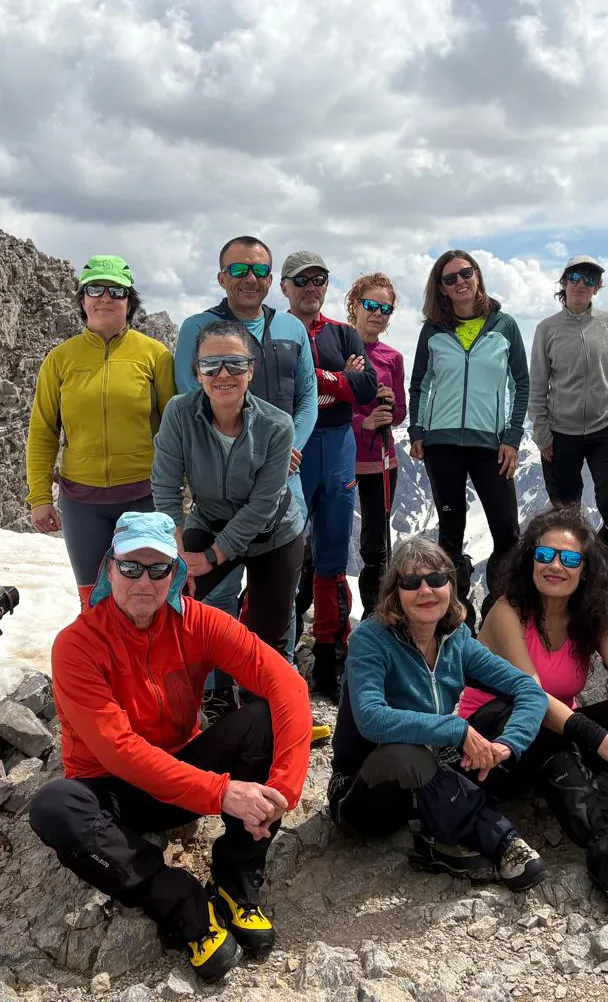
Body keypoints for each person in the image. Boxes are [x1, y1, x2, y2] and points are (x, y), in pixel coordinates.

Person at [29, 511, 312, 984]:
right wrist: (221, 793)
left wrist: (282, 791)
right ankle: (181, 903)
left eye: (158, 568)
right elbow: (118, 751)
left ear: (174, 574)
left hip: (179, 776)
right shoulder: (77, 646)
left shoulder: (198, 623)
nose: (144, 579)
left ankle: (235, 878)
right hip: (111, 793)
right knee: (55, 807)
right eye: (131, 566)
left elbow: (285, 684)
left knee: (261, 721)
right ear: (109, 569)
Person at [458, 507, 608, 910]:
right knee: (545, 723)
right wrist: (599, 741)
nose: (555, 567)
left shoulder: (593, 617)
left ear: (586, 569)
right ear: (530, 559)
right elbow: (530, 695)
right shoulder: (506, 612)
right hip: (491, 743)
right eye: (545, 555)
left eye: (569, 559)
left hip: (558, 735)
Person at [327, 536, 549, 891]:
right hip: (363, 791)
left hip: (431, 772)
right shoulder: (372, 638)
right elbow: (371, 719)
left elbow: (528, 690)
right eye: (411, 582)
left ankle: (439, 831)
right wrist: (455, 730)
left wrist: (508, 744)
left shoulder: (455, 639)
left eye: (436, 580)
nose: (425, 591)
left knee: (500, 713)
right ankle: (502, 841)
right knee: (406, 752)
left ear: (451, 585)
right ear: (394, 592)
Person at [173, 236, 317, 707]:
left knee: (278, 592)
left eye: (258, 271)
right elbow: (190, 398)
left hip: (283, 478)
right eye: (237, 270)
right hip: (220, 488)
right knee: (215, 594)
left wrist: (289, 447)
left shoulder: (291, 329)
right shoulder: (199, 328)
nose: (249, 279)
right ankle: (216, 690)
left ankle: (279, 692)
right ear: (221, 278)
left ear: (271, 279)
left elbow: (307, 397)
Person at [152, 323, 307, 667]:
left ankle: (263, 710)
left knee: (267, 642)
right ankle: (191, 692)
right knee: (168, 595)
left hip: (274, 535)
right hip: (211, 519)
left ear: (251, 370)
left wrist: (210, 557)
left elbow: (263, 505)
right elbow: (166, 489)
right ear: (198, 373)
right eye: (211, 365)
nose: (223, 374)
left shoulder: (277, 425)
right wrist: (181, 557)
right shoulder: (179, 413)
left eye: (235, 364)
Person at [26, 255, 176, 607]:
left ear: (129, 302)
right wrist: (39, 497)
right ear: (82, 299)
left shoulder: (155, 356)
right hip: (82, 502)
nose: (105, 297)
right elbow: (43, 431)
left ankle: (148, 664)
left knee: (148, 597)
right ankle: (101, 664)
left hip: (145, 496)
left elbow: (176, 428)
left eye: (117, 291)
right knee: (94, 600)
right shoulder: (60, 359)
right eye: (95, 288)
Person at [408, 250, 530, 626]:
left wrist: (511, 437)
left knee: (507, 530)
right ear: (441, 289)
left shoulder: (505, 325)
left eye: (466, 273)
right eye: (450, 278)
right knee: (450, 533)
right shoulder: (432, 330)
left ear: (477, 276)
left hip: (490, 444)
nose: (460, 281)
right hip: (441, 444)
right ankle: (456, 614)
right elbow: (419, 384)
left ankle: (500, 609)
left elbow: (521, 383)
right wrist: (417, 430)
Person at [279, 251, 379, 698]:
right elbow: (276, 387)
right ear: (285, 287)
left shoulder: (343, 333)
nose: (311, 287)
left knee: (333, 558)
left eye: (319, 279)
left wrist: (320, 380)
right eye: (302, 281)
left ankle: (328, 663)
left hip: (338, 446)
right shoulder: (275, 331)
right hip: (291, 449)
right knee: (281, 553)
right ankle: (272, 655)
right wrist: (336, 378)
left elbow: (366, 389)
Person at [529, 255, 608, 558]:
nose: (582, 284)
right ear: (564, 283)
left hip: (605, 428)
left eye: (590, 279)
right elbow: (538, 383)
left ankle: (605, 566)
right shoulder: (547, 329)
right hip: (560, 432)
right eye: (576, 278)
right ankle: (571, 567)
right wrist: (542, 434)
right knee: (565, 513)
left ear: (597, 288)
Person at [346, 273, 407, 616]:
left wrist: (388, 407)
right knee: (322, 540)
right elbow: (322, 401)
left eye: (386, 308)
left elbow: (400, 412)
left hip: (382, 460)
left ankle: (373, 618)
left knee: (376, 546)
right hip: (340, 458)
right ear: (355, 304)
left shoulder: (392, 358)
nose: (378, 313)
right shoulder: (334, 345)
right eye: (371, 305)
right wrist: (363, 422)